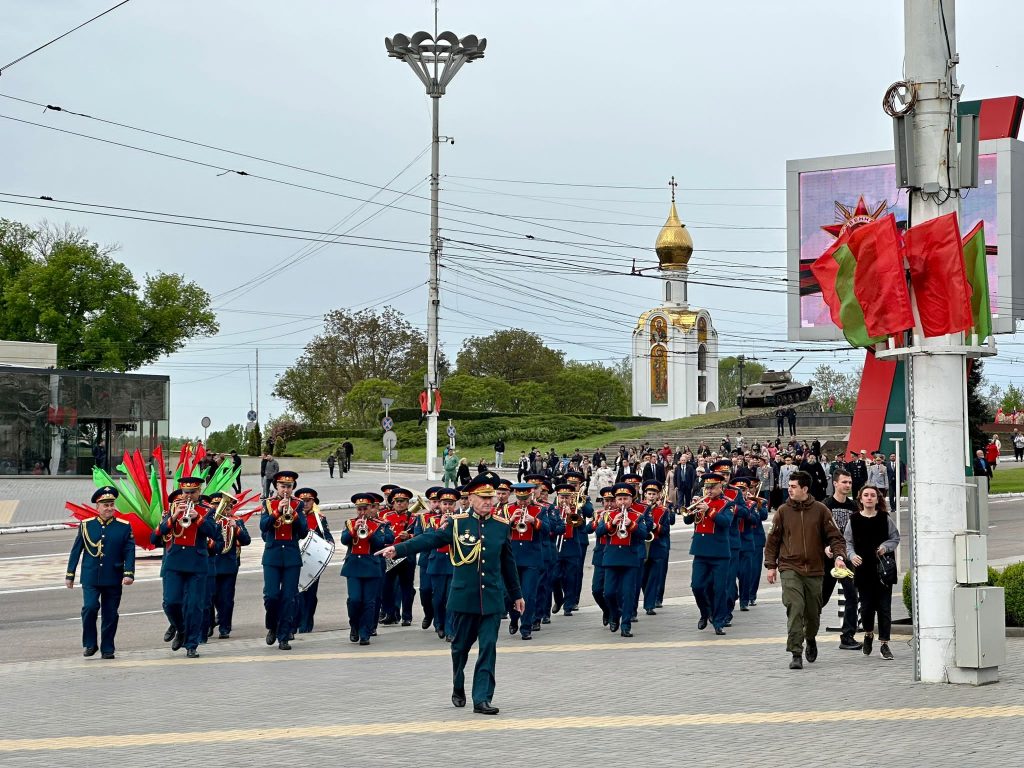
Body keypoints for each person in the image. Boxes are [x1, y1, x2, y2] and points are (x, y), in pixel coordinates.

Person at [377, 475, 524, 716]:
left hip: (492, 599)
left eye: (491, 497)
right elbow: (429, 539)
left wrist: (517, 594)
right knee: (460, 648)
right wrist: (399, 549)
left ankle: (482, 698)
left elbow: (508, 563)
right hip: (465, 597)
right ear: (472, 498)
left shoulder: (501, 525)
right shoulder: (457, 524)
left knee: (488, 647)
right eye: (484, 497)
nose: (490, 501)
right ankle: (458, 683)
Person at [765, 470, 848, 670]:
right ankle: (795, 651)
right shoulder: (783, 511)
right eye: (789, 486)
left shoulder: (820, 510)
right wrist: (771, 566)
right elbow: (773, 540)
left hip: (814, 569)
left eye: (793, 486)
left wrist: (839, 556)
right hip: (789, 567)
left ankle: (810, 637)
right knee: (795, 607)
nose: (789, 489)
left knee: (813, 614)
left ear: (805, 488)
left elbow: (835, 537)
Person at [151, 479, 223, 658]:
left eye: (193, 492)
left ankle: (192, 644)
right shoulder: (172, 509)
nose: (188, 496)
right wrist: (173, 519)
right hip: (174, 563)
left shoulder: (207, 511)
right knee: (170, 602)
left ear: (199, 492)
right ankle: (181, 629)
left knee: (194, 606)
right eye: (185, 492)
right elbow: (155, 537)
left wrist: (197, 519)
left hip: (197, 565)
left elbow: (215, 533)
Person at [65, 486, 135, 659]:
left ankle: (108, 648)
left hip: (113, 575)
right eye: (105, 505)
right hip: (90, 576)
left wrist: (128, 573)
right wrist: (70, 575)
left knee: (110, 613)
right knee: (89, 608)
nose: (109, 508)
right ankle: (90, 644)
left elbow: (129, 551)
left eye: (111, 504)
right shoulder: (86, 526)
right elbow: (76, 551)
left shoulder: (123, 527)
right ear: (97, 507)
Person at [844, 485, 901, 660]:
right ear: (860, 499)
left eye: (873, 495)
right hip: (863, 569)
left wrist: (885, 547)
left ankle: (884, 643)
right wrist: (852, 556)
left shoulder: (885, 518)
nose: (869, 498)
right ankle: (868, 633)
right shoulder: (853, 519)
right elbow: (848, 542)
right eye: (866, 495)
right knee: (867, 608)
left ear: (878, 499)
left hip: (883, 570)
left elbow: (895, 538)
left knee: (884, 608)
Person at [259, 470, 309, 650]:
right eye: (282, 486)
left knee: (289, 597)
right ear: (276, 487)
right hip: (272, 556)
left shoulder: (298, 504)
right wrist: (277, 512)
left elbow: (303, 532)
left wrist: (294, 515)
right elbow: (263, 526)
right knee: (271, 596)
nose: (285, 490)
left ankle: (283, 636)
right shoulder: (268, 503)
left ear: (293, 488)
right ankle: (272, 625)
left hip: (291, 556)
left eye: (289, 487)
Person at [684, 472, 734, 634]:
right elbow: (686, 519)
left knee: (719, 589)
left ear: (721, 487)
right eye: (707, 487)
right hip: (700, 550)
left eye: (713, 487)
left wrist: (710, 511)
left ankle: (718, 621)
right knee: (697, 586)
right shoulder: (701, 501)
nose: (709, 490)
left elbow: (726, 522)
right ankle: (705, 612)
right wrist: (691, 509)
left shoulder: (728, 503)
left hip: (719, 552)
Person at [340, 492, 393, 645]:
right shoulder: (350, 523)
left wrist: (369, 533)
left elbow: (380, 543)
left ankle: (365, 633)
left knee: (369, 602)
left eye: (365, 509)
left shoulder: (378, 524)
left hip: (371, 566)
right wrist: (353, 530)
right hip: (354, 566)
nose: (362, 512)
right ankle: (354, 626)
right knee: (354, 600)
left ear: (371, 508)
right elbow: (344, 540)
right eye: (359, 509)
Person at [820, 469, 861, 650]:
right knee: (821, 598)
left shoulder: (854, 507)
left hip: (847, 558)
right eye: (844, 482)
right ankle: (807, 629)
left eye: (850, 483)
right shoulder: (825, 505)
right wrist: (825, 547)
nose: (847, 486)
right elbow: (817, 532)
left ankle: (847, 636)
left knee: (852, 595)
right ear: (835, 483)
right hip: (828, 559)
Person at [506, 483, 546, 640]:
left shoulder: (540, 509)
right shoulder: (507, 509)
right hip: (512, 558)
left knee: (528, 594)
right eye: (520, 499)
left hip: (532, 558)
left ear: (531, 495)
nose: (522, 502)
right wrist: (510, 521)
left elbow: (548, 530)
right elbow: (498, 531)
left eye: (526, 498)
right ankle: (514, 618)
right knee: (509, 595)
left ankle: (526, 627)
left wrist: (534, 521)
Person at [293, 487, 331, 633]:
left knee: (309, 594)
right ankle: (294, 621)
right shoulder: (293, 516)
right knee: (294, 592)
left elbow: (328, 539)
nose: (306, 503)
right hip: (295, 558)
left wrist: (327, 546)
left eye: (309, 501)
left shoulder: (319, 519)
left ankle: (306, 623)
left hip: (313, 562)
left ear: (313, 502)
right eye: (303, 501)